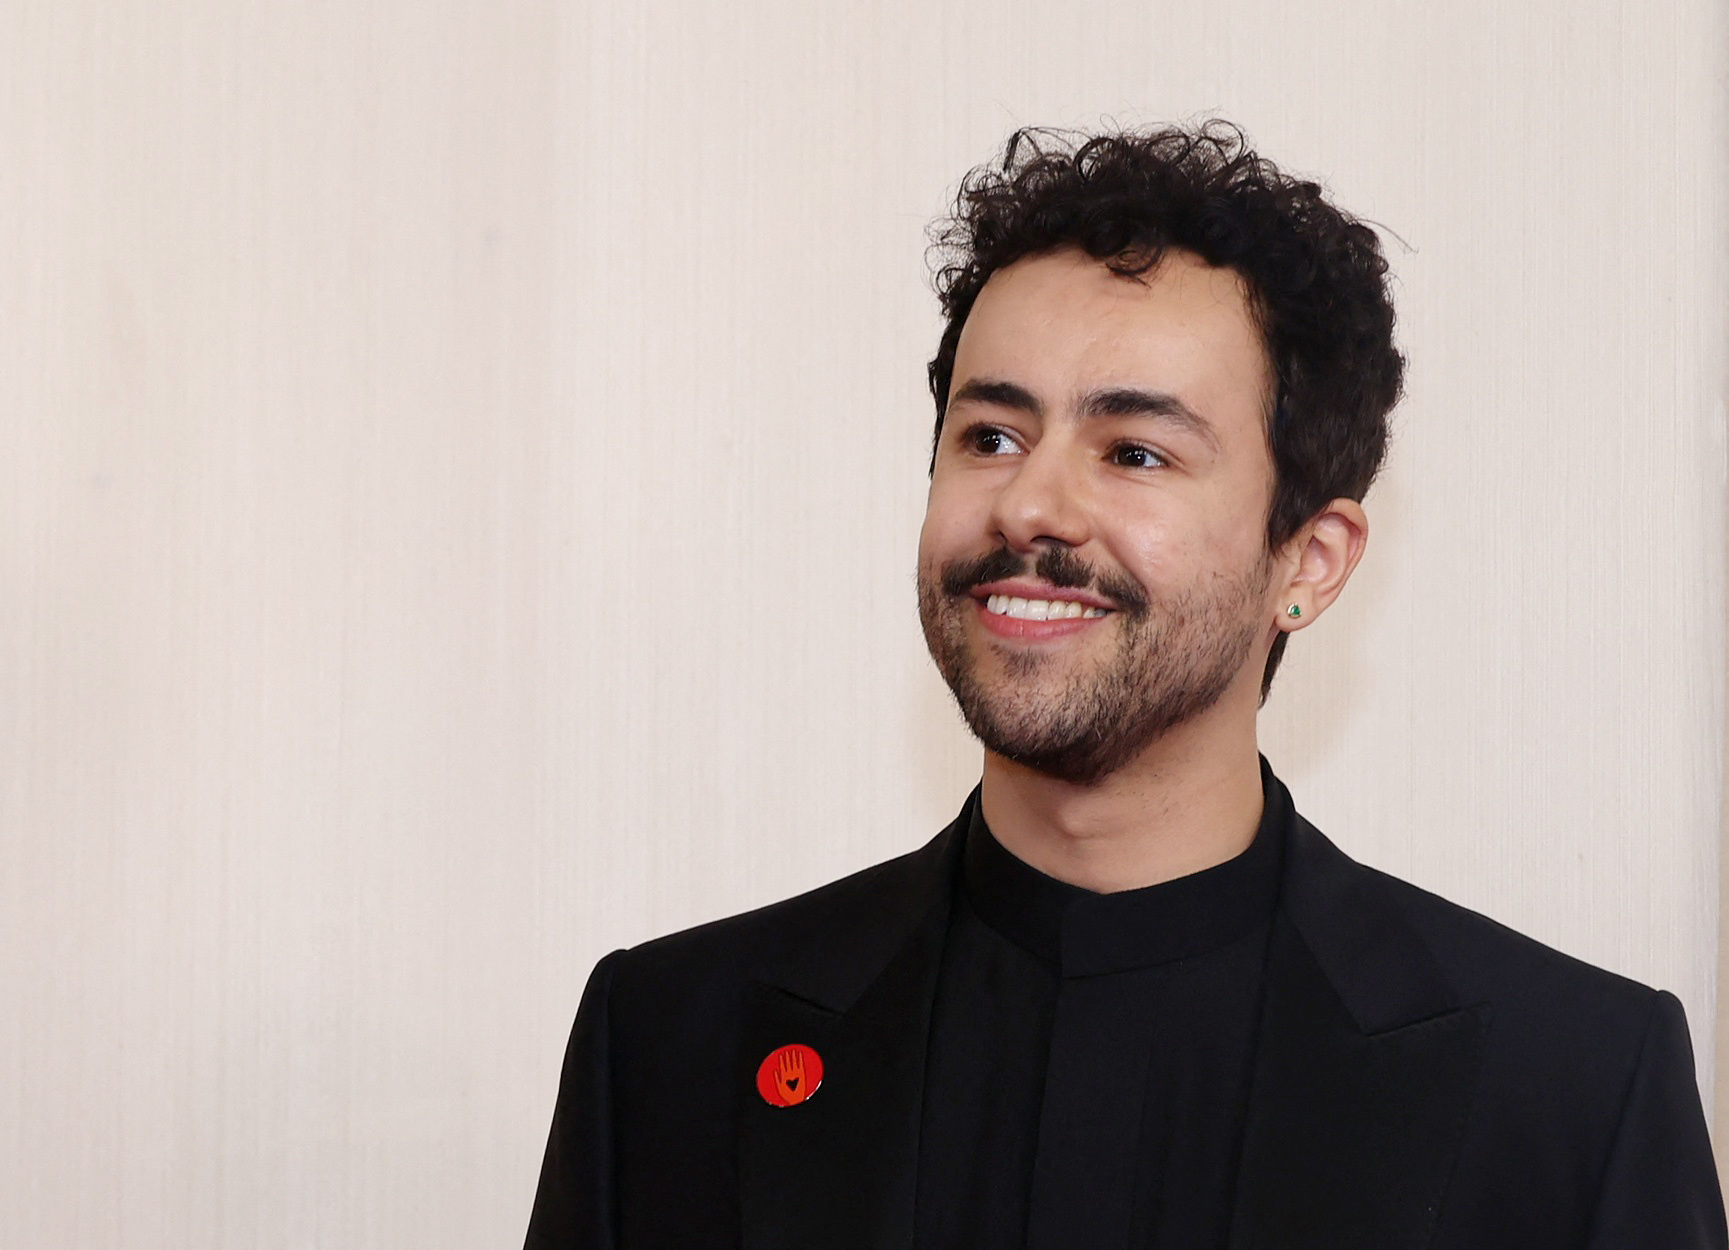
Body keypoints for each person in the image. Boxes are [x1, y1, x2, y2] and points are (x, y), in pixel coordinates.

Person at [524, 122, 1727, 1249]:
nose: (1032, 504)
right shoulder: (669, 1041)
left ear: (1306, 562)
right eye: (989, 434)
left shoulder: (1571, 1088)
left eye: (1134, 452)